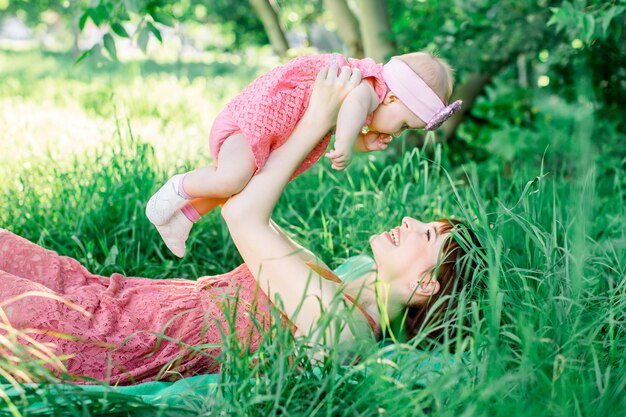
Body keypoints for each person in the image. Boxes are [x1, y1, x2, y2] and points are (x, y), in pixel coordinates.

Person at [0, 65, 476, 386]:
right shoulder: (338, 288)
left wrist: (315, 123)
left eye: (428, 234)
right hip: (114, 296)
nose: (411, 221)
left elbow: (242, 215)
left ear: (426, 284)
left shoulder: (341, 327)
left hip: (109, 338)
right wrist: (330, 123)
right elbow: (247, 199)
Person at [146, 52, 463, 257]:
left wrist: (361, 143)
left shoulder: (371, 96)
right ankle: (176, 189)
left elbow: (339, 120)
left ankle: (184, 217)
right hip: (251, 123)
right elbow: (350, 109)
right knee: (232, 178)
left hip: (270, 134)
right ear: (393, 98)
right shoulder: (368, 86)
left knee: (241, 187)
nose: (396, 134)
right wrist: (347, 143)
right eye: (405, 125)